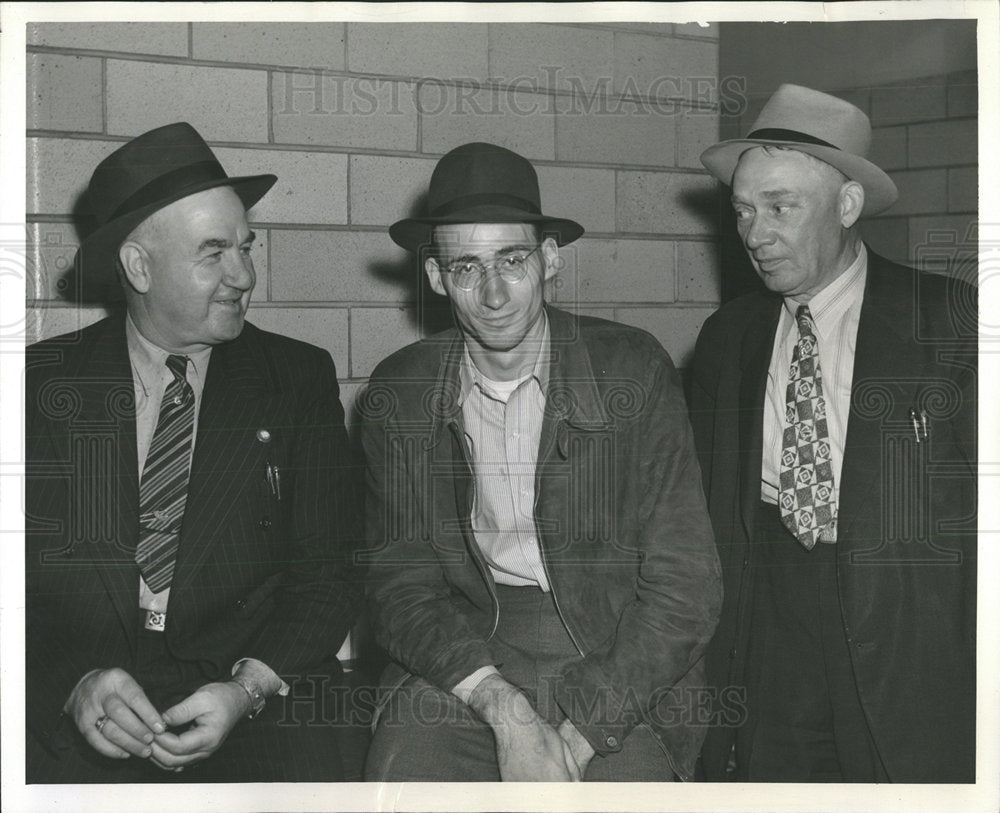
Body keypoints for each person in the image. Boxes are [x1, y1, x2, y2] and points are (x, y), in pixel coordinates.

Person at [360, 142, 721, 782]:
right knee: (404, 780)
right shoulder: (400, 391)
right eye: (467, 268)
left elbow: (686, 586)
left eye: (513, 260)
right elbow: (400, 586)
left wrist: (574, 743)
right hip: (470, 649)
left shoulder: (632, 368)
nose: (494, 293)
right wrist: (507, 712)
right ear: (437, 278)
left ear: (550, 261)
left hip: (615, 644)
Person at [25, 122, 363, 782]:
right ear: (138, 265)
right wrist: (73, 682)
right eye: (213, 253)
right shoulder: (41, 385)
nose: (245, 274)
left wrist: (251, 686)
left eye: (246, 246)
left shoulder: (294, 378)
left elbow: (332, 566)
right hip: (88, 696)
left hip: (253, 689)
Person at [691, 84, 977, 782]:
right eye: (745, 211)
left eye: (781, 208)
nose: (756, 234)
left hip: (908, 624)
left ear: (848, 206)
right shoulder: (727, 337)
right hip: (771, 621)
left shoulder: (949, 323)